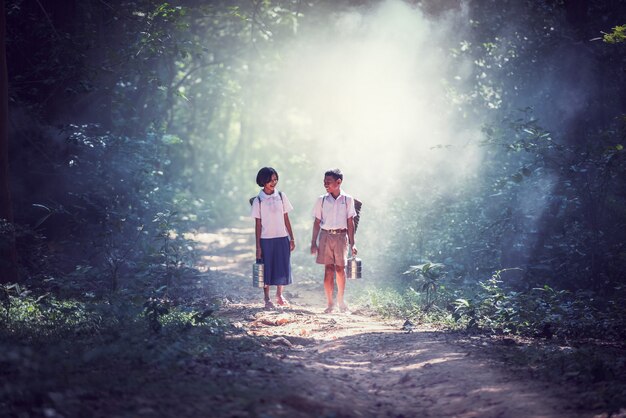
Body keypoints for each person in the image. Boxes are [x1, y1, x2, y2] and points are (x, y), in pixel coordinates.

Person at [310, 168, 358, 313]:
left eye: (329, 182)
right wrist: (313, 242)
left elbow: (350, 222)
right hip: (325, 236)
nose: (326, 184)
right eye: (324, 182)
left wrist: (353, 242)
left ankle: (341, 301)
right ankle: (330, 303)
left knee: (340, 269)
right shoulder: (322, 200)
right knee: (328, 269)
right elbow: (317, 222)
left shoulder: (348, 199)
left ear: (339, 182)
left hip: (341, 237)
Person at [251, 167, 296, 309]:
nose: (273, 182)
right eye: (270, 180)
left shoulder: (281, 196)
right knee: (266, 268)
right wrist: (258, 246)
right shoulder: (258, 200)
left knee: (281, 266)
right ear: (263, 181)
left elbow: (286, 217)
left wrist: (292, 238)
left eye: (275, 179)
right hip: (266, 239)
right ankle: (266, 298)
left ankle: (279, 295)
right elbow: (258, 224)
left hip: (282, 237)